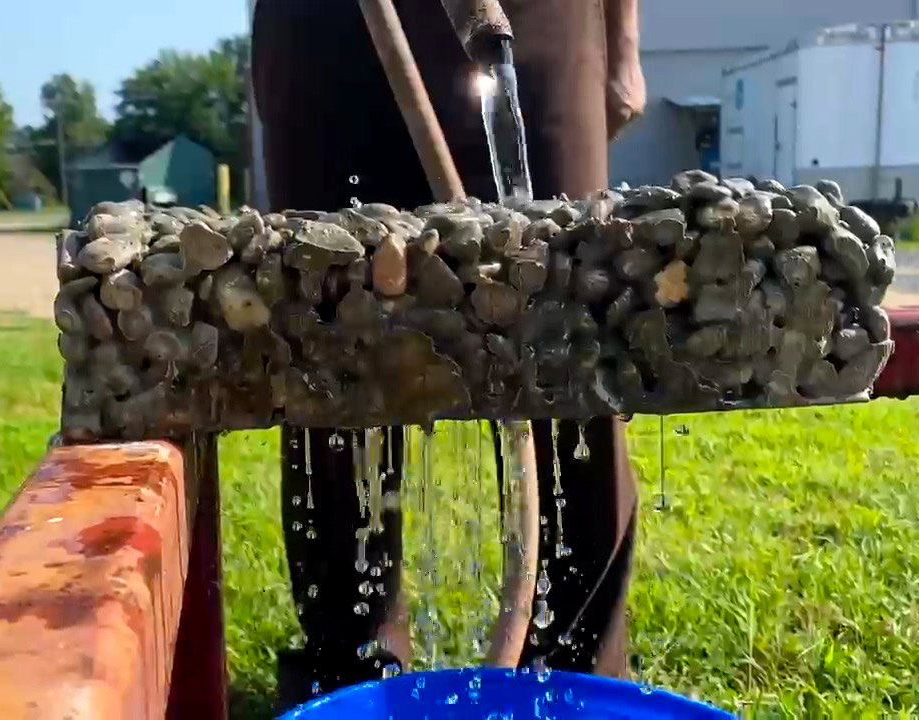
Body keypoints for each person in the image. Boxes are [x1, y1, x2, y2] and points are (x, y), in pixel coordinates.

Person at [251, 0, 647, 709]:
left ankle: (581, 677)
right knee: (330, 327)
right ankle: (354, 675)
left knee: (567, 317)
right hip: (329, 23)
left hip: (538, 17)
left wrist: (624, 44)